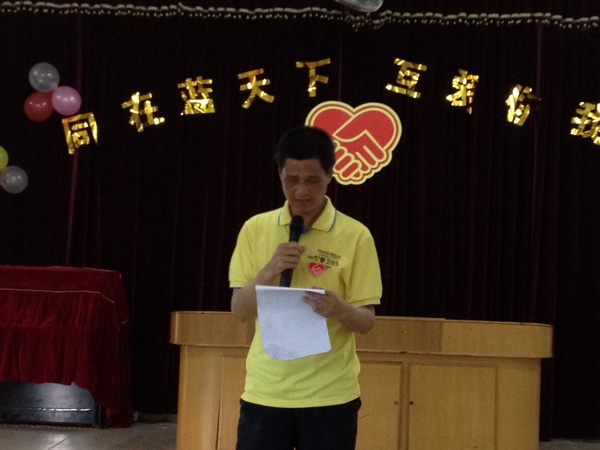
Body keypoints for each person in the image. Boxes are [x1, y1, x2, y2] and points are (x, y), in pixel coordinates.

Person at [228, 125, 383, 450]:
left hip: (330, 397)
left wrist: (339, 309)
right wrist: (269, 270)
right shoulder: (255, 229)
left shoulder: (357, 236)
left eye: (312, 180)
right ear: (280, 174)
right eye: (291, 180)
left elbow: (367, 322)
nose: (300, 191)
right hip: (266, 393)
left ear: (330, 175)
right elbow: (239, 311)